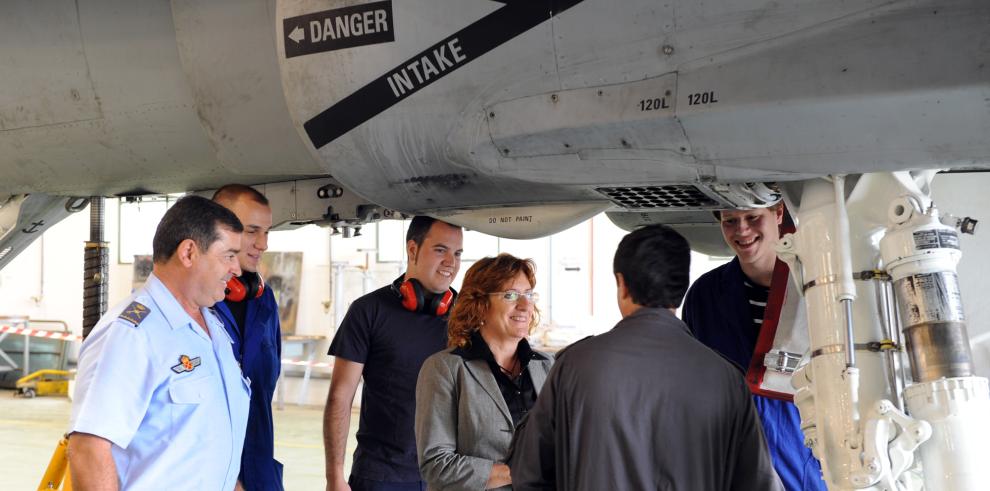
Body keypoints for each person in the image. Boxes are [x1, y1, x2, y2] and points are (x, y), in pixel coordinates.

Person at [508, 224, 782, 491]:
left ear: (621, 283)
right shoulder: (726, 379)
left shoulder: (574, 366)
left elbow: (528, 473)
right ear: (682, 287)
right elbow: (758, 482)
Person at [68, 195, 250, 490]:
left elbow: (207, 444)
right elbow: (90, 448)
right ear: (189, 252)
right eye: (229, 255)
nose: (237, 269)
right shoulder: (132, 334)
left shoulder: (213, 328)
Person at [681, 205, 826, 491]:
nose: (742, 230)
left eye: (752, 217)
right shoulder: (704, 294)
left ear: (778, 213)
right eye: (730, 221)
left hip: (803, 464)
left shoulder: (817, 288)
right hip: (731, 466)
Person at [324, 216, 464, 491]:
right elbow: (340, 396)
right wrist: (334, 476)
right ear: (412, 250)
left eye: (457, 253)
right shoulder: (368, 311)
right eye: (440, 250)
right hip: (381, 476)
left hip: (448, 475)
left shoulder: (466, 317)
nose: (451, 262)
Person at [415, 254, 553, 491]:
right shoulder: (445, 368)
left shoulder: (547, 365)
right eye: (510, 295)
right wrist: (518, 471)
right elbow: (436, 465)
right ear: (480, 303)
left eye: (529, 294)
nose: (525, 305)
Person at [213, 184, 284, 491]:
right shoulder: (196, 303)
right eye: (253, 231)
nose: (263, 243)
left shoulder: (264, 299)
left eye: (267, 232)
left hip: (260, 471)